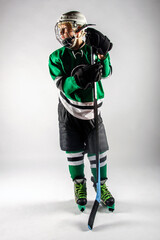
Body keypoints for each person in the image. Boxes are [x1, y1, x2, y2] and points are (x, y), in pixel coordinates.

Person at [48, 11, 115, 211]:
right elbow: (63, 86)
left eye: (66, 29)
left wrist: (103, 55)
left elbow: (108, 71)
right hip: (69, 112)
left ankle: (101, 185)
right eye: (60, 30)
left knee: (99, 152)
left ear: (80, 29)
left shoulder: (93, 51)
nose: (62, 34)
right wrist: (78, 79)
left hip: (93, 112)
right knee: (74, 151)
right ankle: (79, 184)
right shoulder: (56, 57)